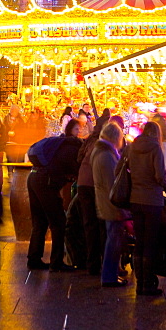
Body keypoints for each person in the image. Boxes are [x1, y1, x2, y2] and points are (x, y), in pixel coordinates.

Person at [126, 120, 166, 296]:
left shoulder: (132, 147)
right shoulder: (156, 149)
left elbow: (125, 169)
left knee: (139, 241)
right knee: (150, 241)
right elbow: (159, 176)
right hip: (152, 200)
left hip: (135, 199)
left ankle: (139, 283)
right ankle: (147, 284)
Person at [27, 118, 82, 272]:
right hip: (46, 182)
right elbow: (78, 172)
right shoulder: (73, 150)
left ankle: (34, 259)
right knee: (59, 222)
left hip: (33, 177)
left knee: (39, 222)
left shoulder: (59, 144)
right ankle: (56, 262)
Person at [91, 120, 129, 287]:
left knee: (112, 239)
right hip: (110, 204)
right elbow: (113, 183)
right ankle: (109, 277)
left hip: (106, 202)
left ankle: (111, 274)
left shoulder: (102, 152)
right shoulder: (106, 155)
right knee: (113, 241)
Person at [75, 116, 105, 275]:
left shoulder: (89, 141)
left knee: (89, 224)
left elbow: (79, 159)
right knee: (99, 224)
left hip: (83, 183)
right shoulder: (102, 144)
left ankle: (91, 262)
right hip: (94, 185)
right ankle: (96, 263)